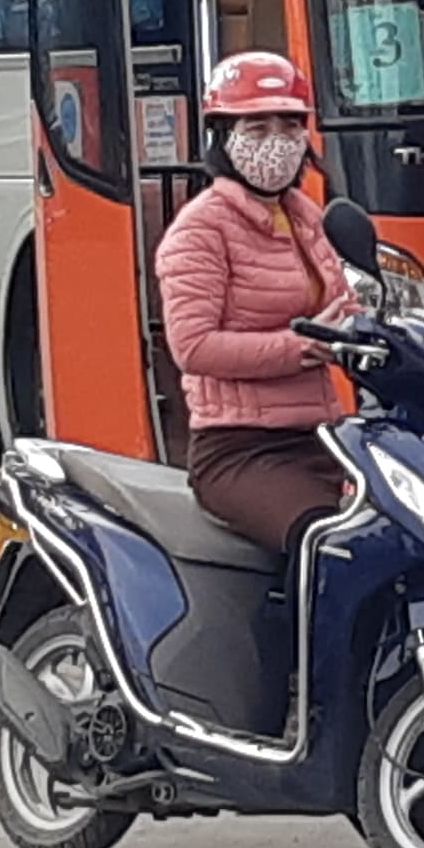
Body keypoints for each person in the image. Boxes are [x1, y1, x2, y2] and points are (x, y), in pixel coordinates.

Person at [151, 51, 359, 551]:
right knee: (322, 542)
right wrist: (302, 347)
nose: (278, 143)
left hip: (324, 437)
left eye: (290, 127)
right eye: (258, 127)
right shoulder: (199, 229)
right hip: (240, 450)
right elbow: (193, 348)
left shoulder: (308, 218)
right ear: (223, 136)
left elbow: (343, 305)